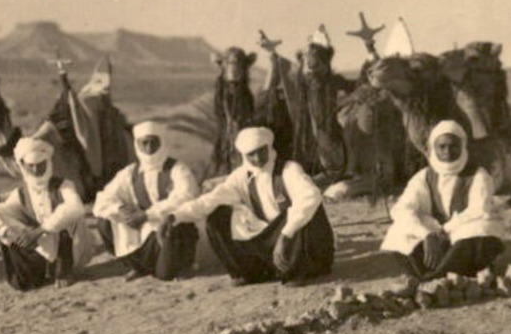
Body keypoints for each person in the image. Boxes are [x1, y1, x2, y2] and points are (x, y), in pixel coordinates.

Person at [168, 125, 334, 286]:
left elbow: (310, 197)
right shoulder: (241, 176)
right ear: (244, 155)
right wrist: (175, 216)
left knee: (302, 211)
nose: (258, 158)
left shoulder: (288, 169)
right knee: (217, 216)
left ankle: (298, 272)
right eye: (251, 154)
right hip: (272, 239)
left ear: (269, 147)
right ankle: (248, 273)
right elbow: (210, 200)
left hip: (299, 242)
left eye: (261, 150)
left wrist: (286, 235)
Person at [380, 120, 506, 279]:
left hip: (460, 233)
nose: (448, 151)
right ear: (433, 148)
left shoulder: (479, 175)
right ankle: (439, 272)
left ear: (463, 146)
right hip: (435, 236)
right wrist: (427, 235)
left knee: (482, 228)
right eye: (442, 146)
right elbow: (402, 209)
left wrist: (444, 232)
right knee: (398, 232)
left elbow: (479, 210)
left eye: (453, 146)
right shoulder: (424, 176)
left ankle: (437, 276)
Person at [0, 136, 95, 290]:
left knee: (70, 217)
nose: (36, 170)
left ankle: (65, 271)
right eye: (30, 166)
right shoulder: (20, 193)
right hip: (41, 246)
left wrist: (39, 231)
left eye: (40, 165)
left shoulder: (64, 185)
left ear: (48, 162)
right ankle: (38, 270)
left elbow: (76, 207)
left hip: (70, 246)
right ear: (22, 166)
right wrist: (11, 233)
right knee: (0, 222)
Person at [93, 120, 201, 281]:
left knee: (164, 274)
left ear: (162, 142)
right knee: (104, 222)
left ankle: (182, 264)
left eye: (153, 142)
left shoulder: (178, 169)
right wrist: (120, 209)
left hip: (169, 225)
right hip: (142, 227)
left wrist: (147, 215)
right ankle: (139, 267)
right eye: (144, 143)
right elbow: (102, 199)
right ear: (137, 145)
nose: (149, 148)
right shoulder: (130, 172)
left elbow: (185, 196)